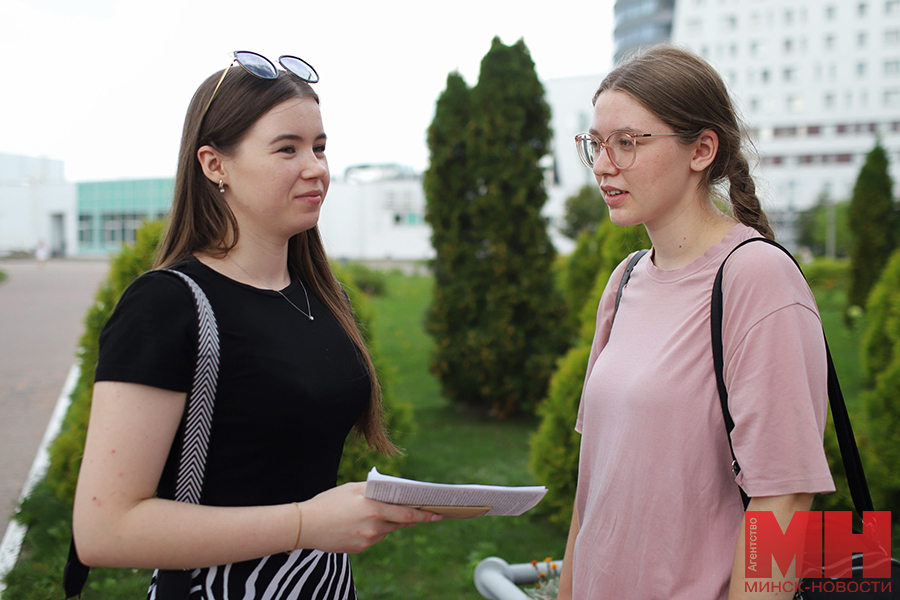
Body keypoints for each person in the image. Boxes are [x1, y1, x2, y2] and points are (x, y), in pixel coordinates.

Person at [72, 51, 441, 599]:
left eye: (319, 147)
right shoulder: (167, 306)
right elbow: (103, 531)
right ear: (214, 164)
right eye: (287, 148)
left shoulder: (321, 295)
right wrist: (305, 524)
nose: (315, 167)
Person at [557, 45, 834, 600]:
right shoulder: (626, 279)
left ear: (701, 149)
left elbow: (783, 502)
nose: (604, 164)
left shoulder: (758, 279)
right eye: (596, 144)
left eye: (628, 143)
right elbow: (595, 491)